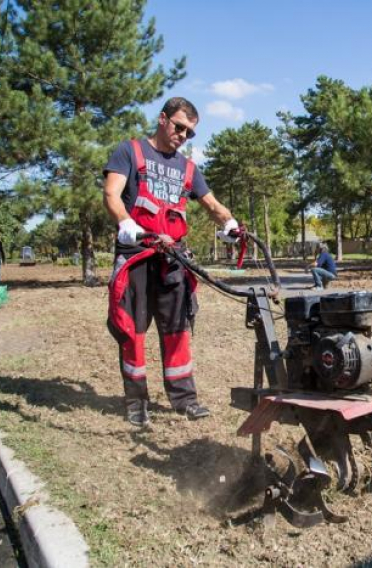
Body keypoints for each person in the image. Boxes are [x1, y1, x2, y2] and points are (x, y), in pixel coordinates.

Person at [103, 97, 240, 427]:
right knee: (133, 332)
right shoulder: (131, 152)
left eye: (190, 133)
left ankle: (184, 399)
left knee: (177, 330)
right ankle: (136, 402)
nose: (183, 135)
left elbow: (212, 204)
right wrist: (126, 224)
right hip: (136, 255)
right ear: (162, 119)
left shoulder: (188, 168)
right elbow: (111, 194)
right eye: (179, 127)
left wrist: (231, 224)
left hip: (172, 259)